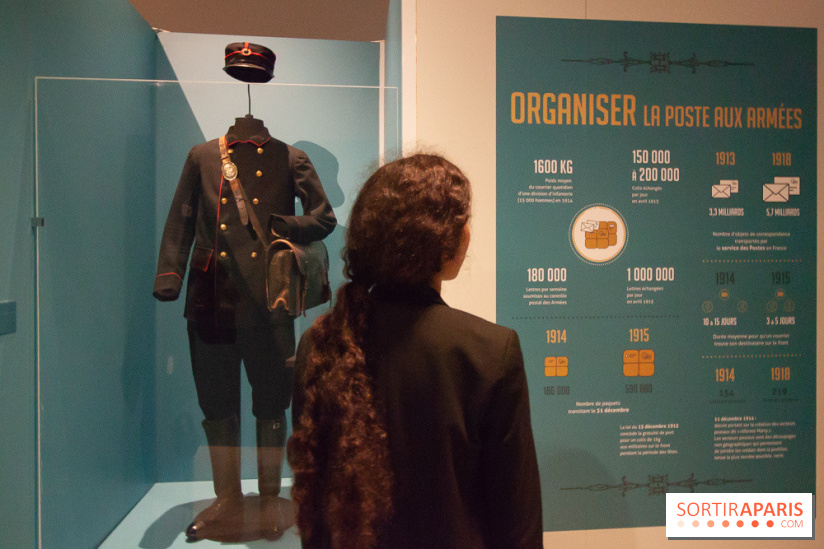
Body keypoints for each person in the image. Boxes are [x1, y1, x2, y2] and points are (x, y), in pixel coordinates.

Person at [288, 153, 543, 548]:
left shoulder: (321, 343)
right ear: (442, 240)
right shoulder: (490, 352)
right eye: (464, 220)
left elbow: (314, 505)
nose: (468, 232)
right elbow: (517, 525)